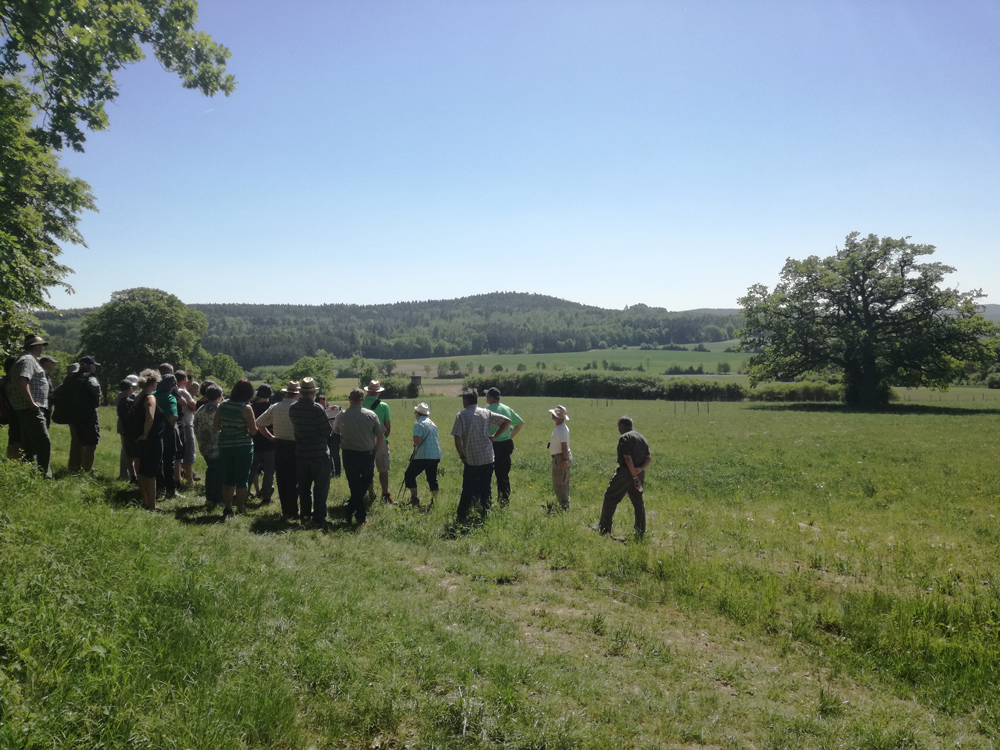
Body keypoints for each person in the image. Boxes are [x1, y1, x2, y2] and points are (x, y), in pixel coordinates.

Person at [450, 389, 511, 522]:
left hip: (471, 458)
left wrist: (461, 455)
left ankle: (462, 515)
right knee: (486, 487)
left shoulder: (461, 415)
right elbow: (507, 421)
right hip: (488, 457)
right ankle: (485, 513)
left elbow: (457, 437)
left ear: (466, 401)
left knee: (467, 488)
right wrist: (495, 436)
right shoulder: (486, 413)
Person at [334, 388, 384, 525]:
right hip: (366, 454)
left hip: (349, 454)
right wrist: (375, 450)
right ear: (362, 400)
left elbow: (336, 431)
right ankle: (359, 514)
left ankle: (352, 506)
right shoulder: (371, 415)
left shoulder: (341, 415)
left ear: (349, 399)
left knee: (354, 483)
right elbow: (380, 435)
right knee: (367, 479)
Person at [289, 378, 333, 525]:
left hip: (301, 453)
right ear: (313, 392)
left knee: (304, 487)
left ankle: (305, 515)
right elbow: (327, 431)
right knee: (321, 487)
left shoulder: (293, 408)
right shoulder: (317, 409)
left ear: (301, 392)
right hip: (319, 453)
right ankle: (319, 517)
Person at [599, 416, 652, 538]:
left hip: (626, 473)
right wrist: (640, 470)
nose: (618, 429)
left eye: (619, 426)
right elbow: (649, 458)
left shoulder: (625, 438)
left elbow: (627, 458)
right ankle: (640, 531)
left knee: (610, 497)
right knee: (638, 502)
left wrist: (633, 475)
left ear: (622, 425)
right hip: (639, 472)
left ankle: (604, 529)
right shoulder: (642, 437)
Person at [9, 334, 52, 477]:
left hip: (25, 408)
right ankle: (43, 474)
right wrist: (31, 402)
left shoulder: (24, 359)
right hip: (30, 408)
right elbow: (22, 381)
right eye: (40, 346)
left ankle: (27, 473)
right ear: (35, 347)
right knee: (43, 441)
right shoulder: (28, 360)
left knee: (28, 443)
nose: (42, 349)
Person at [214, 378, 258, 517]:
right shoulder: (246, 408)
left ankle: (227, 507)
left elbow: (216, 426)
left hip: (225, 446)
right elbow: (253, 431)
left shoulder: (223, 405)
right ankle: (240, 508)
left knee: (228, 478)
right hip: (243, 447)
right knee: (242, 479)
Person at [255, 381, 299, 519]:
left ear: (286, 393)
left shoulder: (275, 407)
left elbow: (259, 423)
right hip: (295, 446)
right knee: (295, 479)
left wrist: (271, 437)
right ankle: (294, 509)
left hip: (279, 445)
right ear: (297, 394)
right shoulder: (298, 407)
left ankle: (286, 509)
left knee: (282, 478)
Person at [485, 387, 524, 506]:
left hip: (492, 445)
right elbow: (520, 423)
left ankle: (487, 500)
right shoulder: (507, 409)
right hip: (506, 445)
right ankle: (504, 501)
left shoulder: (486, 410)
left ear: (490, 398)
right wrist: (510, 436)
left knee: (487, 474)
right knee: (503, 475)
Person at [133, 369, 165, 510]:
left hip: (139, 439)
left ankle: (145, 500)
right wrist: (146, 434)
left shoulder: (138, 397)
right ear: (152, 383)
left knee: (142, 471)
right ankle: (152, 505)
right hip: (151, 439)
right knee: (151, 474)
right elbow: (150, 417)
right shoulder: (150, 398)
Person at [67, 355, 102, 474]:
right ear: (91, 366)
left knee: (76, 441)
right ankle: (87, 469)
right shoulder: (91, 378)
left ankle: (74, 467)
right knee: (91, 442)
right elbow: (96, 393)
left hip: (73, 416)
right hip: (88, 416)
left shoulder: (71, 377)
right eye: (94, 366)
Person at [403, 402, 441, 508]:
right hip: (435, 454)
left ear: (417, 413)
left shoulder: (418, 423)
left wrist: (414, 444)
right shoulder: (433, 424)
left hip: (423, 455)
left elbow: (416, 441)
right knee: (432, 478)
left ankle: (414, 498)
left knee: (409, 475)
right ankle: (435, 501)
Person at [361, 380, 393, 503]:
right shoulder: (384, 406)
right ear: (379, 392)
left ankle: (371, 493)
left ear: (368, 391)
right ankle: (385, 494)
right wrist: (384, 438)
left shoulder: (361, 404)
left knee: (368, 470)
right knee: (383, 469)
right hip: (381, 441)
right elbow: (388, 427)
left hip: (364, 442)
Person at [193, 382, 224, 508]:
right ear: (220, 396)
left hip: (204, 446)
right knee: (219, 473)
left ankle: (210, 498)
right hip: (218, 446)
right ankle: (217, 498)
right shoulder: (220, 409)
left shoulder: (200, 409)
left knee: (211, 471)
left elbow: (195, 427)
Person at [155, 374, 181, 499]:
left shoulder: (153, 394)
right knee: (168, 461)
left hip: (154, 431)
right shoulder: (170, 397)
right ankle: (171, 490)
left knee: (157, 461)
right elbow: (173, 417)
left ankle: (159, 487)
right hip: (167, 432)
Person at [249, 384, 276, 503]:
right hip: (270, 442)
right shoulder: (272, 408)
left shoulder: (251, 407)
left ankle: (244, 493)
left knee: (252, 470)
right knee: (269, 471)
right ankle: (266, 496)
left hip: (254, 442)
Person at [174, 370, 198, 485]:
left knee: (178, 453)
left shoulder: (173, 391)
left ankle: (178, 478)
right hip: (187, 424)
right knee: (189, 453)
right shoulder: (183, 391)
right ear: (184, 381)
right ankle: (190, 480)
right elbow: (194, 407)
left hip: (177, 424)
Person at [547, 404, 572, 511]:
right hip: (561, 456)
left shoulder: (560, 429)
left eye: (553, 415)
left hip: (560, 457)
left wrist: (565, 460)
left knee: (559, 483)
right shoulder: (561, 427)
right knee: (563, 482)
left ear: (556, 417)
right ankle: (564, 504)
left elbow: (564, 445)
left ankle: (564, 507)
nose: (552, 417)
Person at [116, 375, 139, 482]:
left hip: (125, 428)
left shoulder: (122, 398)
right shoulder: (127, 399)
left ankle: (129, 475)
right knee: (127, 452)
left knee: (128, 451)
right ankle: (125, 475)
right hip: (128, 429)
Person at [317, 393, 342, 477]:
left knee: (335, 454)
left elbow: (342, 412)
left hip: (334, 434)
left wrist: (336, 408)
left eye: (324, 401)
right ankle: (331, 470)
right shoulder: (318, 411)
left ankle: (338, 472)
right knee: (328, 454)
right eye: (321, 402)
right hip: (324, 435)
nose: (323, 403)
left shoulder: (333, 409)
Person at [38, 354, 58, 428]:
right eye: (52, 362)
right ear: (45, 363)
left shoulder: (46, 375)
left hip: (47, 407)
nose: (53, 364)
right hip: (43, 407)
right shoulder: (40, 375)